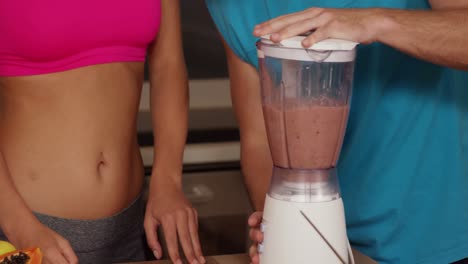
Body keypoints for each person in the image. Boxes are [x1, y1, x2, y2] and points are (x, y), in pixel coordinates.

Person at [204, 0, 468, 263]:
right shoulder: (231, 6)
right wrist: (277, 226)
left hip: (436, 234)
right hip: (337, 241)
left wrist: (376, 22)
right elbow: (259, 140)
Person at [0, 1, 205, 264]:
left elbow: (168, 64)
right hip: (28, 231)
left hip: (131, 228)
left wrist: (168, 180)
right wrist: (20, 227)